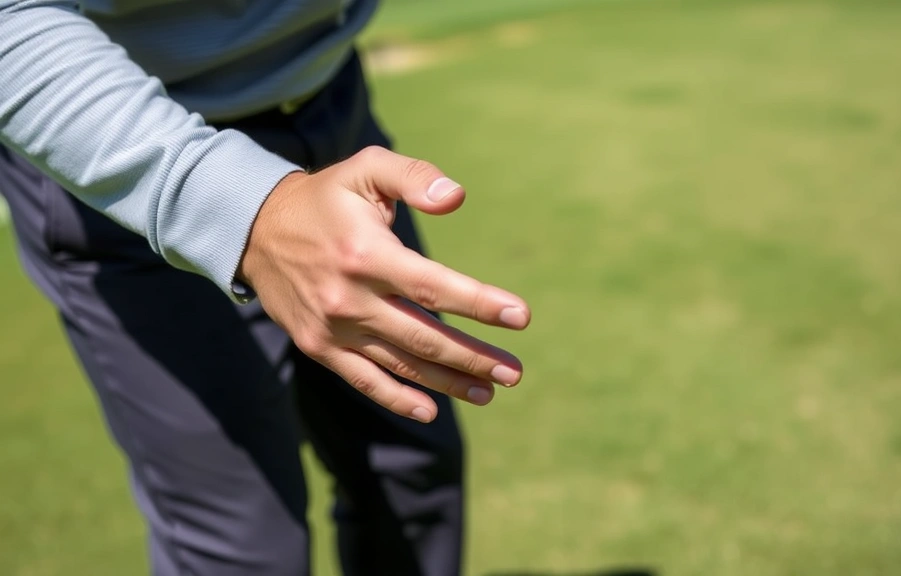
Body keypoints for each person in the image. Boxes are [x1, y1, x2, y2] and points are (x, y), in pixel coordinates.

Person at [0, 1, 531, 575]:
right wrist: (253, 212)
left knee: (413, 471)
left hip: (332, 106)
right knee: (246, 547)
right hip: (118, 142)